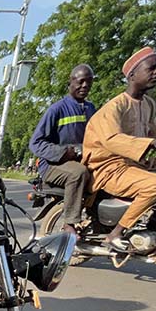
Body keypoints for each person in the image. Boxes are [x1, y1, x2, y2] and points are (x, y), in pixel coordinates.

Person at [82, 47, 156, 248]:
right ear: (132, 75)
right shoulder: (115, 106)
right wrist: (152, 143)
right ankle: (116, 233)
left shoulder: (148, 104)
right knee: (155, 185)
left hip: (138, 162)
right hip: (109, 167)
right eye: (151, 68)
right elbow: (112, 140)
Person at [29, 64, 97, 235]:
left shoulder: (91, 109)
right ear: (71, 82)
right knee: (78, 173)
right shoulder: (57, 109)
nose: (84, 86)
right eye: (81, 82)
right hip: (53, 165)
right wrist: (63, 153)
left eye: (88, 82)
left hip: (81, 159)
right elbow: (36, 143)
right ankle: (70, 222)